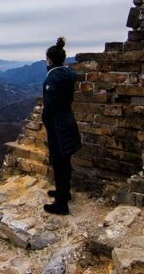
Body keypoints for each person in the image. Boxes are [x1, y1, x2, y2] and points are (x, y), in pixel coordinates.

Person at [41, 37, 82, 215]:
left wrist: (45, 117)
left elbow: (50, 104)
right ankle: (64, 192)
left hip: (57, 124)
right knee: (65, 160)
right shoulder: (68, 72)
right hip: (68, 119)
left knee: (59, 161)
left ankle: (61, 204)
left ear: (49, 59)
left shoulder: (54, 77)